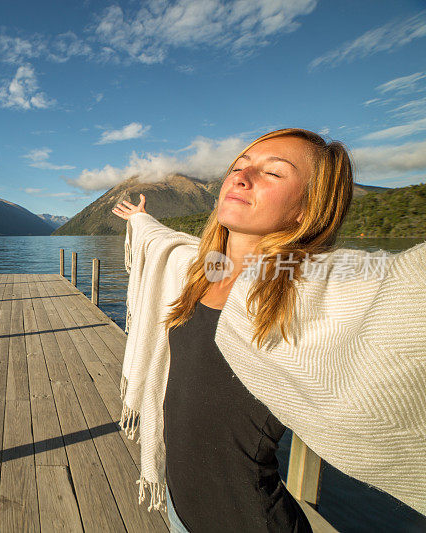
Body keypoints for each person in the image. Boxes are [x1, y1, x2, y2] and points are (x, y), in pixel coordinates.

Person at [110, 128, 426, 531]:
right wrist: (141, 220)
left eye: (273, 174)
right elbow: (165, 241)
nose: (241, 177)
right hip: (178, 509)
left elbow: (402, 288)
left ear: (307, 209)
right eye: (238, 167)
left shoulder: (304, 290)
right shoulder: (205, 268)